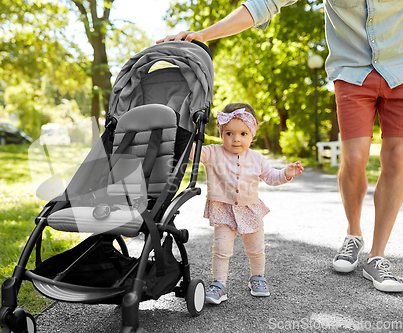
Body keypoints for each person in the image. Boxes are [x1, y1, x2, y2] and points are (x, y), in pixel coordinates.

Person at [158, 0, 403, 293]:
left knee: (398, 158)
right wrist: (205, 34)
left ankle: (377, 255)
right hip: (352, 73)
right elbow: (265, 3)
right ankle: (354, 234)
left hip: (400, 69)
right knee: (354, 157)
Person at [189, 102, 303, 303]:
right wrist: (186, 135)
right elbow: (193, 153)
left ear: (252, 135)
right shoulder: (212, 153)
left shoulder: (257, 158)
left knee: (256, 248)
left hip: (250, 210)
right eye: (229, 133)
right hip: (223, 209)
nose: (235, 139)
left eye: (243, 134)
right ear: (221, 132)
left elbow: (271, 177)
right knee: (221, 248)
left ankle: (257, 277)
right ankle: (219, 285)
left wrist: (286, 173)